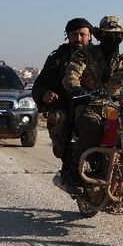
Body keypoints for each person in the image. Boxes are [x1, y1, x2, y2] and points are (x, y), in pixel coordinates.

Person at [59, 15, 123, 190]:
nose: (113, 40)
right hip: (90, 106)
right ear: (100, 37)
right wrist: (76, 88)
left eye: (117, 37)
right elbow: (71, 75)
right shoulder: (85, 55)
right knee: (92, 126)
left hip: (117, 109)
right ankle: (74, 171)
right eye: (108, 36)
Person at [31, 17, 94, 175]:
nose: (78, 39)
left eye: (82, 34)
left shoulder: (99, 55)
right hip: (66, 105)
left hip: (96, 104)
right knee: (59, 119)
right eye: (74, 35)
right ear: (68, 36)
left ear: (90, 35)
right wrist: (44, 94)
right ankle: (70, 166)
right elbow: (39, 84)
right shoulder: (58, 57)